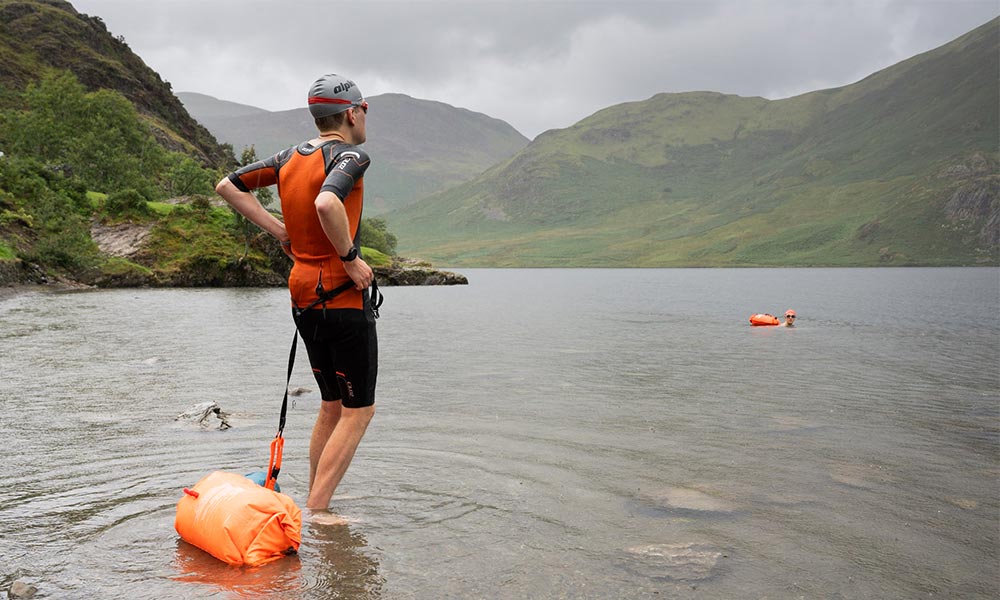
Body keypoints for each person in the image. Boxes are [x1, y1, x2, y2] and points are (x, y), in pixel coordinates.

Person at [215, 73, 376, 512]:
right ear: (350, 112)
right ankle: (319, 510)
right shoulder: (349, 157)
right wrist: (349, 256)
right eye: (365, 109)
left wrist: (280, 232)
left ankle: (314, 498)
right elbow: (327, 203)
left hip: (302, 295)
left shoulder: (289, 157)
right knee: (358, 410)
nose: (366, 118)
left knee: (330, 404)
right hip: (341, 296)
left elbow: (228, 186)